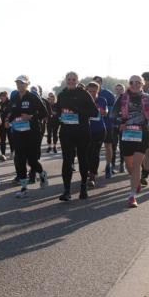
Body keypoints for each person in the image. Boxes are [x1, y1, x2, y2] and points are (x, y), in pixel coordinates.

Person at [115, 75, 149, 208]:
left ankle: (132, 195)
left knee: (137, 164)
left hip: (142, 132)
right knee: (130, 164)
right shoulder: (122, 98)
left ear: (142, 84)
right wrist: (119, 123)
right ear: (129, 83)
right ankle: (136, 181)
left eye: (137, 82)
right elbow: (113, 114)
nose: (134, 84)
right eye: (132, 82)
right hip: (126, 133)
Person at [54, 72, 98, 201]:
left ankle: (83, 187)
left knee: (82, 158)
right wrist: (58, 116)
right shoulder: (62, 94)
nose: (71, 81)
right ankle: (66, 191)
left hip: (82, 132)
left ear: (77, 81)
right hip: (66, 132)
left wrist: (78, 111)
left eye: (74, 79)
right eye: (69, 79)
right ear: (66, 80)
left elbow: (94, 112)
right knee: (67, 160)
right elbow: (57, 111)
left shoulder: (84, 94)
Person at [6, 75, 49, 198]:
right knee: (19, 159)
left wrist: (31, 117)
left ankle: (42, 173)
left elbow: (44, 114)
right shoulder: (14, 97)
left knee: (31, 160)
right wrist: (7, 120)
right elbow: (10, 112)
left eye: (22, 83)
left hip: (32, 132)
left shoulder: (33, 97)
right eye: (18, 83)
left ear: (27, 84)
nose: (20, 85)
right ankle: (24, 188)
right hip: (18, 132)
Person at [92, 76, 117, 179]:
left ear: (101, 83)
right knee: (94, 150)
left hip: (107, 124)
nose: (96, 84)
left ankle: (108, 166)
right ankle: (93, 170)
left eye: (98, 82)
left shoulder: (108, 94)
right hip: (93, 126)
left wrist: (105, 112)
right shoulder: (89, 93)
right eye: (94, 82)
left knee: (108, 146)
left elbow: (115, 108)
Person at [85, 82, 108, 189]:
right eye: (90, 91)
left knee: (95, 152)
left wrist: (104, 112)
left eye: (94, 91)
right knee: (87, 153)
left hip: (99, 130)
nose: (92, 93)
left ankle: (92, 176)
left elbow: (106, 110)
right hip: (86, 131)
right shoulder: (84, 100)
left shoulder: (102, 100)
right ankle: (89, 171)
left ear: (98, 91)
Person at [0, 90, 12, 162]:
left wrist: (7, 119)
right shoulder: (1, 103)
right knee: (2, 140)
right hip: (1, 124)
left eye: (3, 96)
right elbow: (2, 111)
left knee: (11, 139)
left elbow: (11, 112)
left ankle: (12, 152)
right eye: (0, 97)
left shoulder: (10, 103)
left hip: (9, 123)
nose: (1, 98)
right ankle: (3, 154)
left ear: (6, 96)